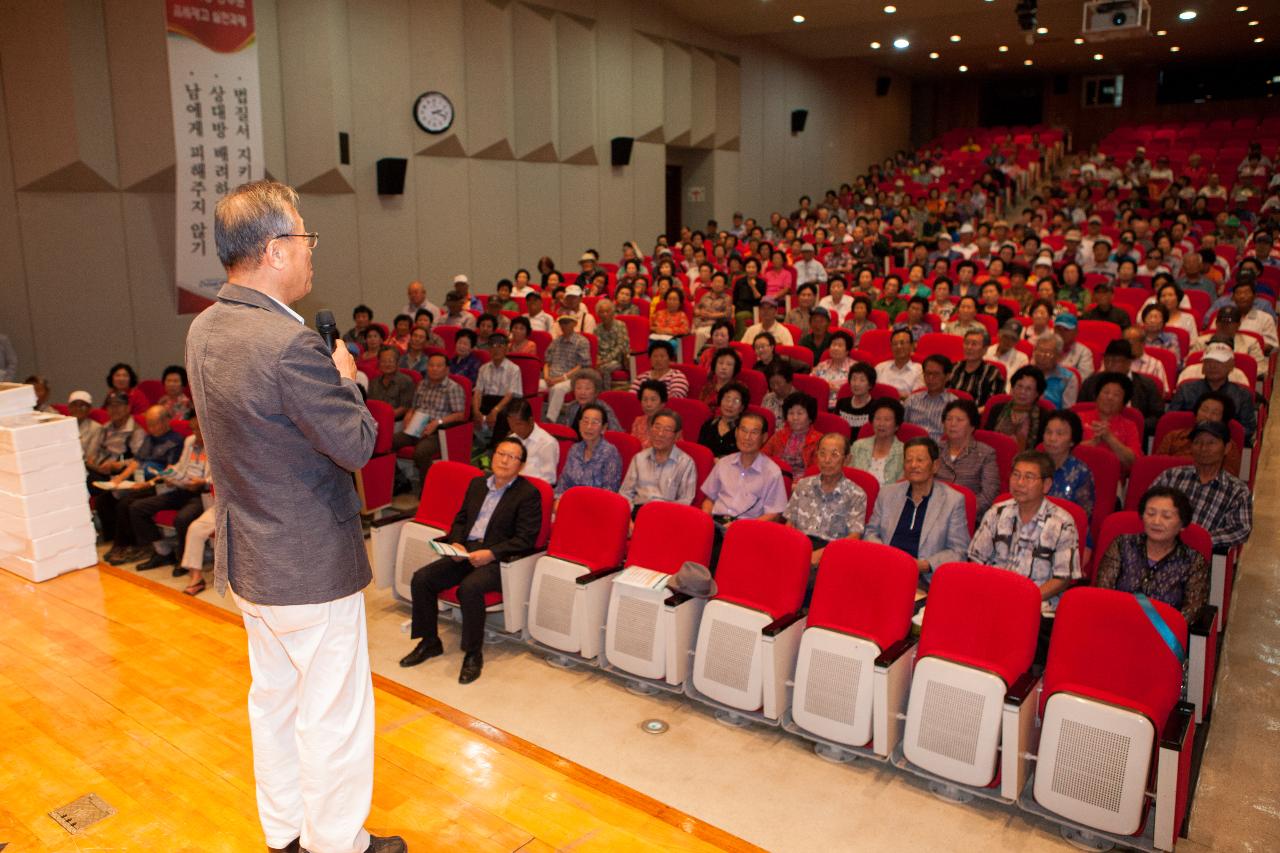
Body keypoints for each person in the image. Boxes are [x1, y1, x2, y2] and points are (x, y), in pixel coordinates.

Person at [185, 181, 402, 853]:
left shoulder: (205, 327)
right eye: (305, 237)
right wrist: (347, 378)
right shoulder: (289, 344)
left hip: (252, 554)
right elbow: (357, 444)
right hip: (310, 564)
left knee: (273, 701)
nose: (311, 251)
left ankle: (285, 832)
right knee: (332, 712)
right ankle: (338, 842)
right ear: (276, 249)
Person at [401, 436, 543, 685]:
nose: (504, 460)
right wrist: (456, 543)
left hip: (499, 560)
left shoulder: (528, 494)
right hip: (465, 552)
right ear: (493, 455)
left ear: (521, 466)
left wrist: (491, 554)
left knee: (470, 588)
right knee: (422, 578)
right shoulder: (478, 484)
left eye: (512, 457)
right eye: (501, 454)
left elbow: (525, 539)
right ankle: (430, 641)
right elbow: (461, 519)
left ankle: (472, 653)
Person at [969, 451, 1082, 660]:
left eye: (1029, 477)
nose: (1020, 482)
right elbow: (976, 561)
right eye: (1016, 475)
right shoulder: (997, 512)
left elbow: (1062, 577)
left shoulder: (1062, 522)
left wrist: (1023, 600)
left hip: (1037, 607)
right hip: (993, 600)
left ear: (1046, 485)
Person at [864, 437, 972, 589]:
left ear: (935, 465)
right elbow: (871, 531)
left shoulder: (953, 501)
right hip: (884, 570)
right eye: (908, 460)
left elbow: (959, 551)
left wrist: (926, 565)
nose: (913, 465)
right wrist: (883, 554)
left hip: (922, 580)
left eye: (920, 460)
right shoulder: (888, 494)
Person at [1094, 486, 1209, 624]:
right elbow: (1103, 593)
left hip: (1163, 636)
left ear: (1182, 524)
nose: (1156, 522)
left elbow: (1191, 612)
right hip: (1116, 625)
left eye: (1166, 516)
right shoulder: (1122, 544)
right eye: (1150, 513)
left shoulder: (1193, 561)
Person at [99, 405, 186, 564]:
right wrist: (118, 479)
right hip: (141, 481)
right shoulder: (150, 438)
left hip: (160, 484)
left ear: (166, 421)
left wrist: (146, 484)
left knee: (127, 503)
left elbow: (169, 471)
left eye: (155, 423)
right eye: (149, 424)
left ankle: (138, 546)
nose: (151, 428)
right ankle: (122, 544)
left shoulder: (176, 441)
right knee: (108, 497)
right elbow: (137, 462)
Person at [700, 411, 789, 565]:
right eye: (743, 430)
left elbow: (774, 515)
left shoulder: (772, 472)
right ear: (736, 432)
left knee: (715, 560)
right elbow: (709, 499)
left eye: (754, 433)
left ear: (764, 437)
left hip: (747, 531)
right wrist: (706, 519)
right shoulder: (724, 463)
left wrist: (742, 528)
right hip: (716, 526)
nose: (747, 437)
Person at [125, 415, 211, 573]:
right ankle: (162, 552)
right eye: (192, 429)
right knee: (137, 507)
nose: (196, 433)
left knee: (183, 518)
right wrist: (169, 475)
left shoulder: (215, 443)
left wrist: (203, 482)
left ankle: (185, 559)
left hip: (201, 493)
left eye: (199, 429)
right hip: (181, 487)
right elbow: (181, 465)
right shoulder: (190, 441)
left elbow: (217, 476)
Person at [1151, 421, 1253, 553]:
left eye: (1211, 443)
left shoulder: (1237, 490)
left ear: (1227, 448)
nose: (1203, 448)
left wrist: (1199, 540)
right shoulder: (1171, 476)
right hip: (1159, 545)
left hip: (1200, 555)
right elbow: (1147, 510)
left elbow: (1241, 530)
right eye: (1198, 442)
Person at [786, 433, 867, 586]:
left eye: (834, 454)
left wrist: (822, 555)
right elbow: (790, 523)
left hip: (832, 554)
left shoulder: (857, 494)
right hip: (799, 547)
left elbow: (854, 537)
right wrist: (796, 551)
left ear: (847, 459)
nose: (827, 460)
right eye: (822, 454)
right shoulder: (803, 485)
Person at [392, 352, 467, 481]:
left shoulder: (453, 388)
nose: (434, 369)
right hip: (415, 427)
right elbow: (414, 407)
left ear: (447, 369)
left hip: (437, 431)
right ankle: (400, 480)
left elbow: (460, 415)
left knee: (421, 452)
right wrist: (408, 416)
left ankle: (427, 487)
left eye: (439, 366)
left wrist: (438, 422)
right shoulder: (422, 384)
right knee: (387, 442)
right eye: (431, 365)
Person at [1169, 342, 1256, 446]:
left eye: (1219, 362)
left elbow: (1248, 430)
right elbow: (1171, 421)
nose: (1212, 366)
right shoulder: (1185, 389)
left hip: (1226, 446)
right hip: (1187, 442)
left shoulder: (1242, 395)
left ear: (1231, 366)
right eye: (1208, 362)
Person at [1080, 338, 1164, 436]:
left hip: (1133, 435)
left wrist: (1131, 426)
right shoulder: (1091, 382)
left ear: (1128, 362)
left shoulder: (1146, 385)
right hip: (1095, 432)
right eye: (1107, 361)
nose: (1110, 365)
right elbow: (1081, 410)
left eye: (1116, 361)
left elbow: (1158, 418)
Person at [619, 409, 697, 510]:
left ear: (677, 435)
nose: (660, 434)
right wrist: (628, 519)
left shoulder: (686, 463)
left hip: (667, 515)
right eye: (657, 427)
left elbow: (685, 501)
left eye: (667, 430)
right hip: (638, 511)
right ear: (650, 429)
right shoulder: (639, 458)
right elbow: (625, 494)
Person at [935, 399, 999, 519]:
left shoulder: (985, 454)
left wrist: (960, 512)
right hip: (933, 512)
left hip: (966, 516)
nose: (952, 424)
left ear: (972, 425)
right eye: (948, 419)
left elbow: (989, 495)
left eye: (959, 420)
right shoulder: (935, 449)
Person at [1154, 390, 1242, 477]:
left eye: (1215, 413)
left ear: (1223, 420)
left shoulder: (1227, 446)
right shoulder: (1174, 437)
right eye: (1204, 410)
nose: (1207, 416)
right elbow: (1156, 466)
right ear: (1196, 413)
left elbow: (1229, 478)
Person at [554, 403, 623, 502]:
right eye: (585, 421)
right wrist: (558, 500)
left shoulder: (610, 453)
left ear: (604, 428)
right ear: (579, 424)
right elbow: (563, 483)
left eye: (594, 423)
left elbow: (609, 492)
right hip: (571, 503)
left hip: (596, 507)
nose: (589, 427)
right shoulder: (574, 449)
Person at [1077, 372, 1141, 470]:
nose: (1110, 397)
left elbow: (1133, 463)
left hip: (1114, 479)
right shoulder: (1078, 418)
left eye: (1116, 395)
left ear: (1124, 402)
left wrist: (1109, 438)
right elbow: (1064, 450)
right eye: (1106, 392)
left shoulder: (1130, 426)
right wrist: (1093, 443)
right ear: (1097, 396)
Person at [1042, 410, 1096, 519]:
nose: (1052, 439)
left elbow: (1083, 516)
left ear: (1072, 441)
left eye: (1060, 434)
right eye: (1048, 432)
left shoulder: (1081, 472)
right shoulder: (1032, 464)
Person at [472, 332, 521, 449]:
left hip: (506, 402)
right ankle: (475, 444)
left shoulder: (514, 369)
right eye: (492, 346)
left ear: (506, 349)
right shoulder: (483, 368)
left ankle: (495, 447)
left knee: (503, 414)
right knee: (469, 410)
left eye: (500, 346)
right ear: (488, 349)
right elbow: (478, 392)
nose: (496, 349)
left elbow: (510, 395)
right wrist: (476, 410)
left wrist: (495, 411)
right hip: (488, 399)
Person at [985, 365, 1047, 451]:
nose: (1022, 392)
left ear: (1037, 393)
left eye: (1028, 389)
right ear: (1012, 388)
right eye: (1019, 386)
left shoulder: (1044, 417)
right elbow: (986, 440)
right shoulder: (997, 409)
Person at [543, 314, 592, 421]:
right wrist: (546, 377)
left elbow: (582, 366)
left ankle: (550, 420)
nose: (563, 325)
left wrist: (560, 379)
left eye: (567, 323)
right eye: (561, 323)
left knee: (558, 389)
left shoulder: (582, 341)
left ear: (574, 324)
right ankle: (534, 419)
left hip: (570, 378)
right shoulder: (556, 341)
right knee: (534, 386)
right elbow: (547, 362)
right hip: (551, 378)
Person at [762, 391, 821, 475]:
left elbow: (816, 471)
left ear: (810, 416)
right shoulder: (779, 435)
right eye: (791, 413)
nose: (795, 418)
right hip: (776, 478)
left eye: (800, 413)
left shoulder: (819, 440)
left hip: (803, 483)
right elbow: (763, 457)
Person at [848, 398, 905, 485]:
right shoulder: (858, 446)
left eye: (887, 420)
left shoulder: (904, 452)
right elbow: (848, 476)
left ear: (897, 425)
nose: (881, 424)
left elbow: (902, 486)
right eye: (877, 418)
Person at [903, 355, 956, 442]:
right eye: (927, 374)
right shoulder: (912, 400)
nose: (930, 378)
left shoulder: (954, 404)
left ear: (947, 376)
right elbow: (902, 429)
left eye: (936, 374)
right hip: (913, 448)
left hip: (941, 450)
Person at [505, 399, 558, 485]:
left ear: (531, 421)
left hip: (532, 490)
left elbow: (549, 479)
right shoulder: (511, 439)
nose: (514, 429)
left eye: (519, 424)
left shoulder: (547, 443)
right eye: (511, 425)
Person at [948, 329, 1004, 407]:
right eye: (966, 343)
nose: (969, 347)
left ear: (985, 349)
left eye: (974, 344)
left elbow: (994, 404)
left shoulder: (993, 373)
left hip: (977, 416)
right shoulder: (953, 367)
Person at [556, 369, 622, 432]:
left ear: (596, 391)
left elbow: (617, 434)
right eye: (578, 388)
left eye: (587, 388)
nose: (582, 392)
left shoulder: (603, 409)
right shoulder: (572, 407)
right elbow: (565, 431)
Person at [699, 381, 749, 457]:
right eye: (727, 399)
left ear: (742, 407)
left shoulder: (745, 432)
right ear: (720, 401)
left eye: (736, 401)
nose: (730, 404)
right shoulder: (708, 425)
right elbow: (700, 452)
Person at [1031, 332, 1079, 409]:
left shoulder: (1067, 378)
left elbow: (1067, 412)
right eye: (1039, 352)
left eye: (1048, 353)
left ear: (1059, 356)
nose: (1042, 357)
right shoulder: (1025, 373)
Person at [366, 346, 415, 420]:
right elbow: (369, 404)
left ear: (398, 362)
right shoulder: (373, 382)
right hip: (374, 420)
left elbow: (405, 407)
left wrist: (385, 418)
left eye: (391, 361)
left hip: (396, 421)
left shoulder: (406, 381)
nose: (387, 364)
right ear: (379, 363)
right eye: (383, 361)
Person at [875, 329, 924, 399]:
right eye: (895, 344)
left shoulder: (920, 370)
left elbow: (916, 398)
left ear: (912, 346)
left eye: (902, 343)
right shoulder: (880, 368)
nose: (898, 347)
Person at [812, 330, 855, 409]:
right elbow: (810, 383)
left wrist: (838, 389)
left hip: (842, 407)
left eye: (840, 345)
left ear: (847, 351)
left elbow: (857, 390)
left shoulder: (854, 368)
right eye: (833, 344)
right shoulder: (822, 365)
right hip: (817, 405)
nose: (835, 348)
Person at [834, 362, 878, 431]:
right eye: (854, 379)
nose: (856, 384)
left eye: (862, 380)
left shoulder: (876, 407)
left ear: (870, 385)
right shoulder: (841, 403)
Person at [592, 299, 630, 378]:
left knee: (605, 369)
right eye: (602, 312)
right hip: (601, 360)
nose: (605, 314)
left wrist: (604, 360)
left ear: (613, 312)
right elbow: (595, 348)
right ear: (598, 314)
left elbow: (621, 347)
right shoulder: (597, 329)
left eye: (607, 311)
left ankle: (605, 390)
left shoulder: (620, 325)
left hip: (617, 360)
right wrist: (597, 359)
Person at [66, 389, 101, 459]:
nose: (78, 408)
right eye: (74, 405)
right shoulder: (62, 425)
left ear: (90, 409)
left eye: (83, 405)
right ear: (69, 408)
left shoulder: (96, 428)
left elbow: (91, 456)